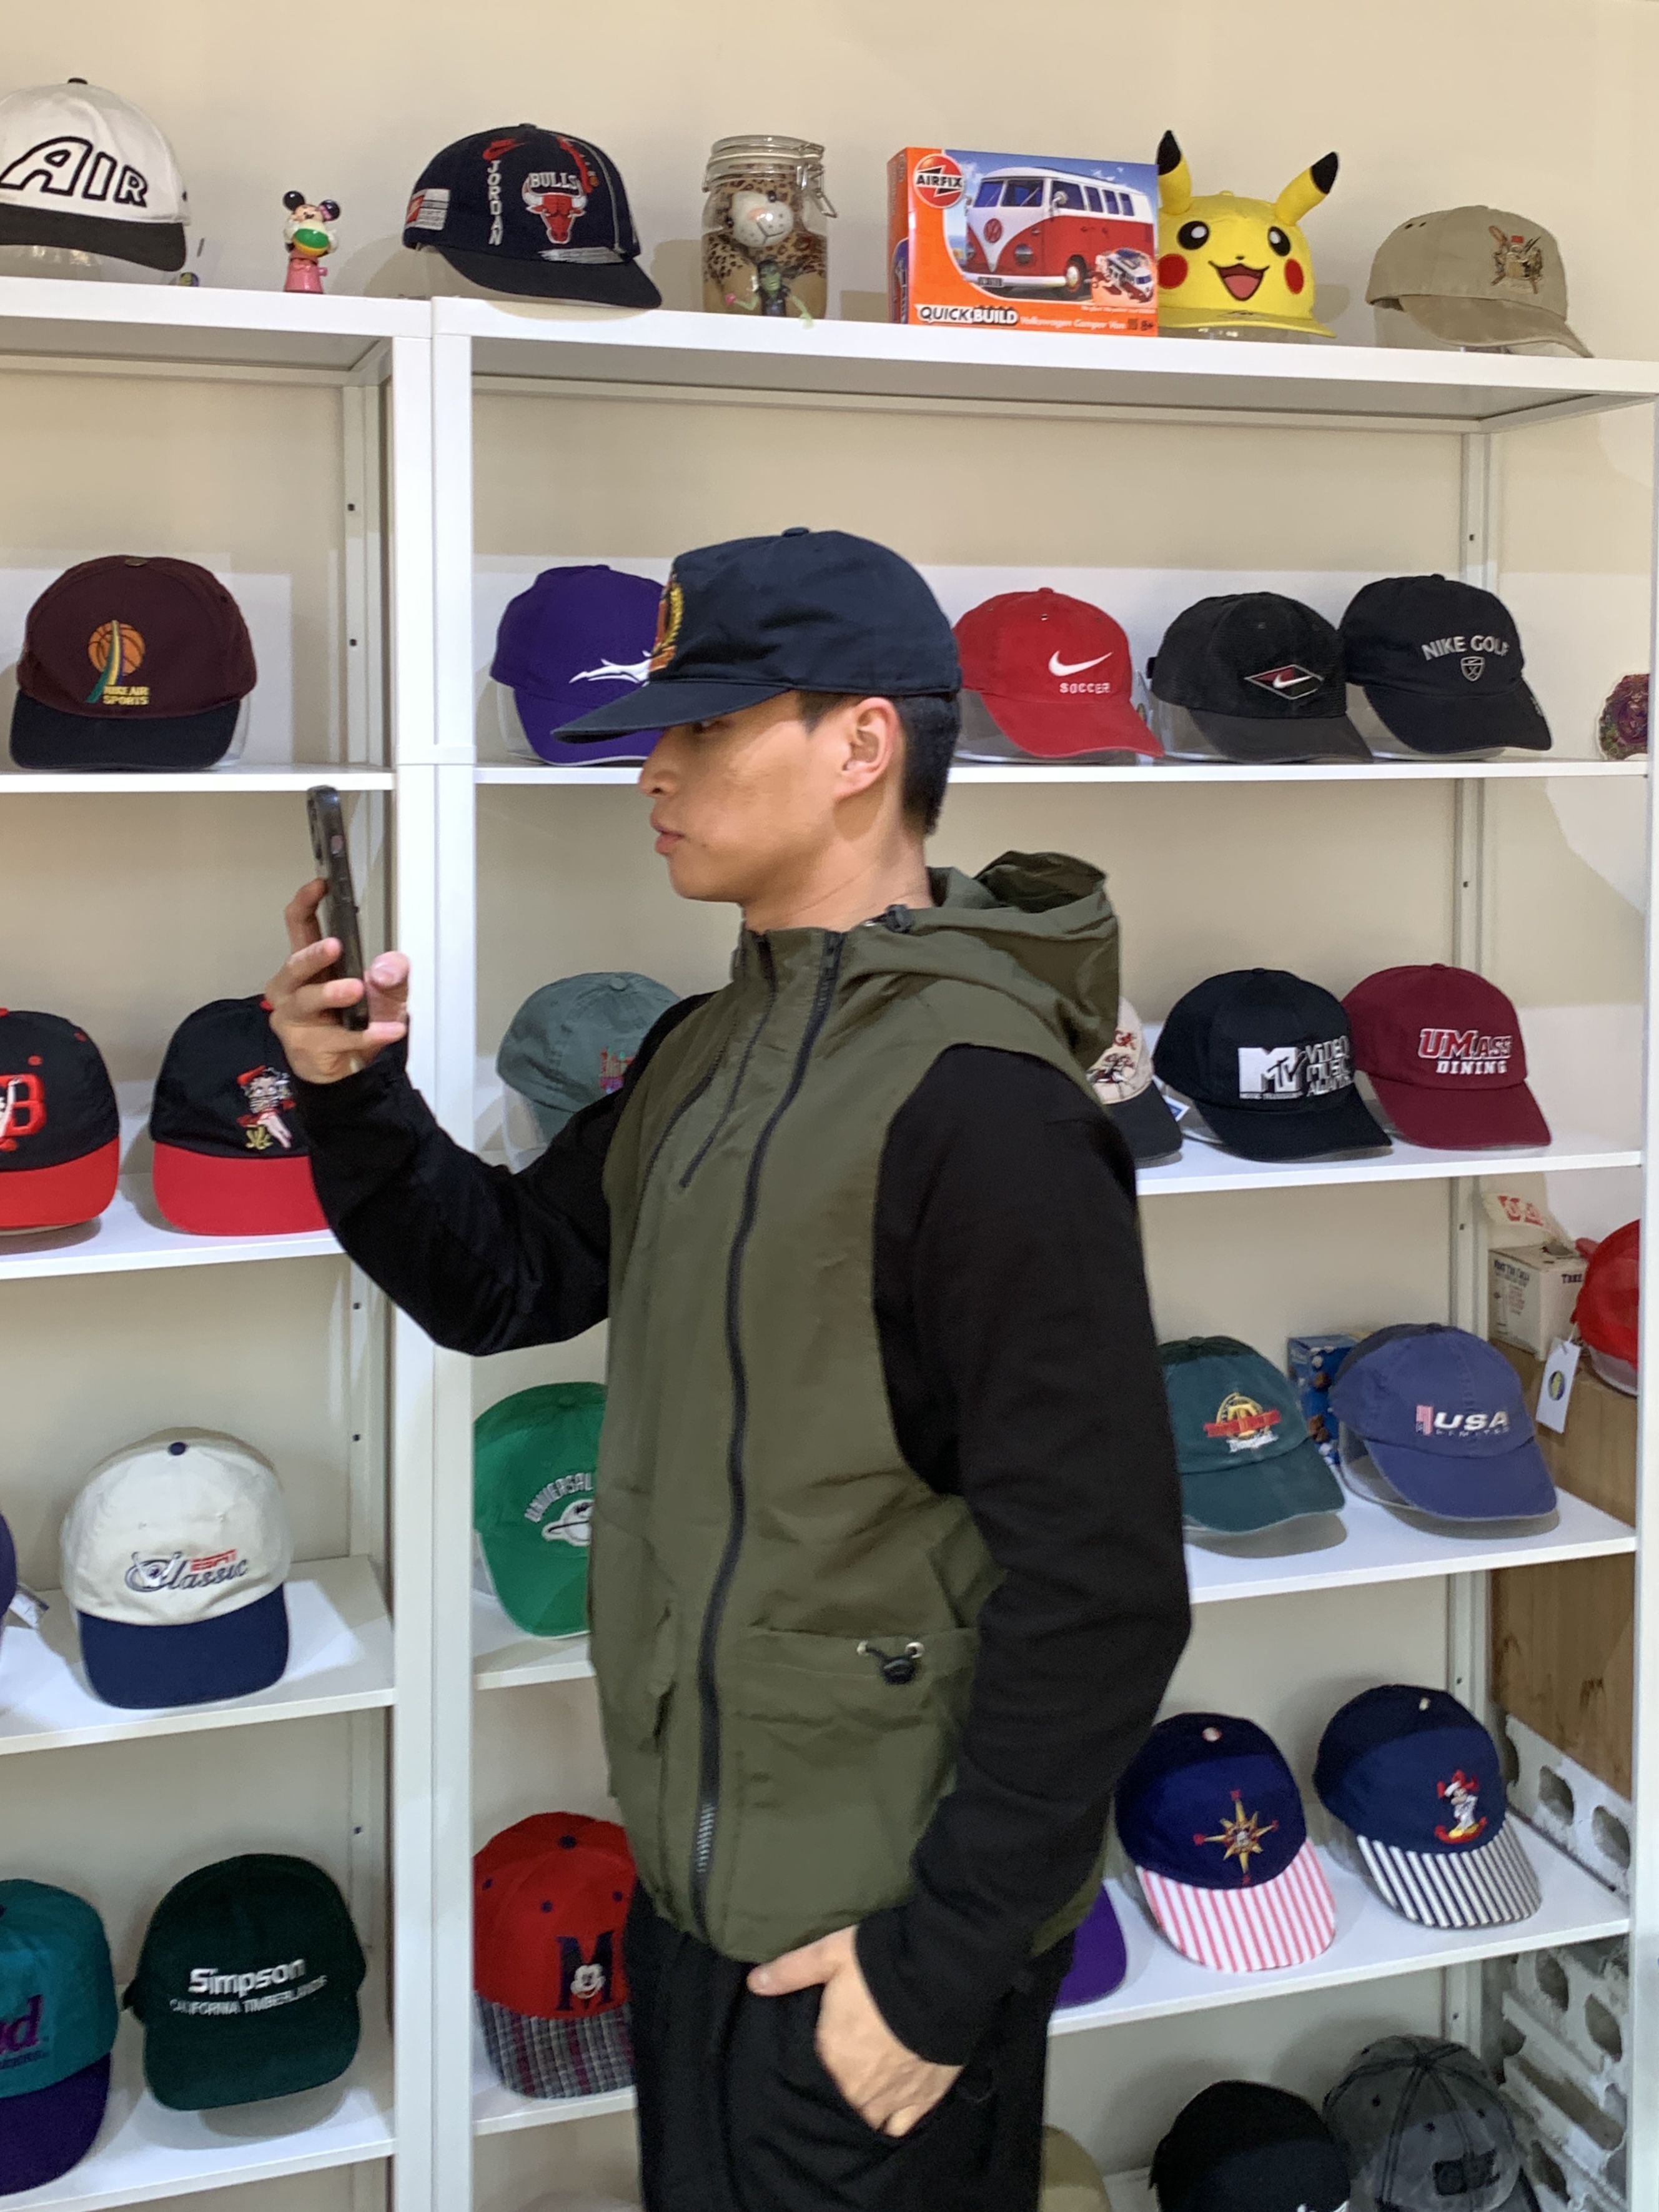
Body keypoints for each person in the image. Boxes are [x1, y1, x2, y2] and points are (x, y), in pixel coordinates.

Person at [270, 528, 1189, 2212]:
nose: (656, 770)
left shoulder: (987, 1107)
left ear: (863, 745)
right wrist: (352, 1098)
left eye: (705, 726)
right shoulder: (710, 1051)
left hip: (877, 1945)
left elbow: (1107, 1584)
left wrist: (938, 1971)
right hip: (696, 1889)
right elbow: (507, 1279)